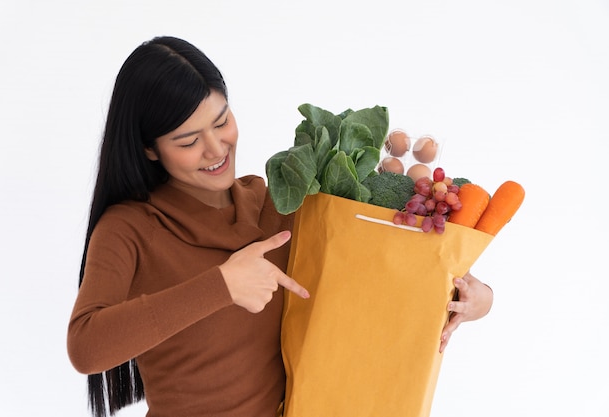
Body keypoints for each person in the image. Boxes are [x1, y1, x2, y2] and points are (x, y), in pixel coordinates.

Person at [67, 36, 494, 417]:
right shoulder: (130, 228)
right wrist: (222, 284)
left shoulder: (277, 203)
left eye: (221, 121)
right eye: (188, 140)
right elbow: (85, 348)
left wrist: (476, 300)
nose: (216, 149)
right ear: (150, 148)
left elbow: (372, 278)